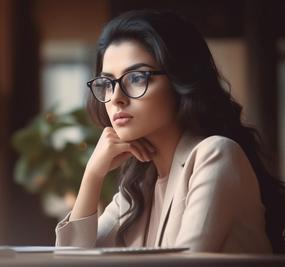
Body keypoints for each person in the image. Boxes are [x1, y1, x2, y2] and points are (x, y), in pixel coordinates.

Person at [55, 10, 285, 253]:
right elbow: (71, 258)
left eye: (136, 78)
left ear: (180, 80)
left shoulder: (215, 154)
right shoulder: (138, 185)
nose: (116, 98)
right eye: (107, 83)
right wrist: (92, 175)